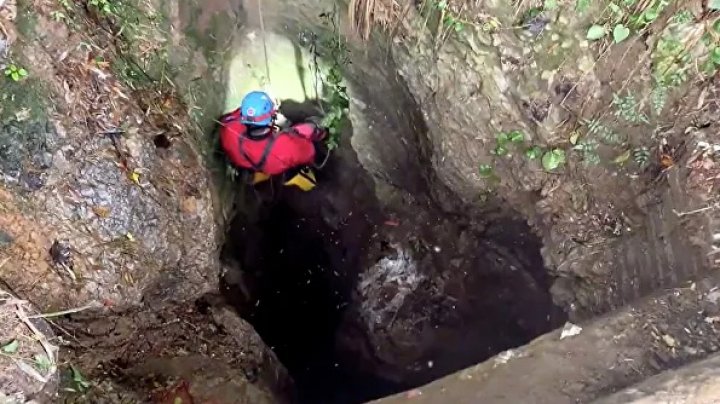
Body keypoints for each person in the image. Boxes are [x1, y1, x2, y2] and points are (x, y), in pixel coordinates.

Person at [219, 90, 327, 190]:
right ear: (270, 119)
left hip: (245, 161)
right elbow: (309, 152)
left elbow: (235, 116)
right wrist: (310, 129)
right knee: (304, 169)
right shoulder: (284, 146)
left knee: (258, 166)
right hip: (273, 166)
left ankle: (253, 177)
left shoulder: (229, 129)